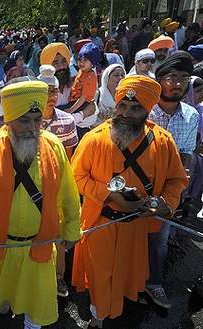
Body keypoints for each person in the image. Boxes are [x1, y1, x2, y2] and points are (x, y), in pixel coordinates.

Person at [71, 75, 188, 327]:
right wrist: (108, 194)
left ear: (147, 110)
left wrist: (165, 203)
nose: (126, 113)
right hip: (101, 225)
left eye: (135, 108)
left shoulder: (163, 142)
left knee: (125, 276)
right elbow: (76, 177)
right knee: (101, 277)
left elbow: (177, 180)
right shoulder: (94, 139)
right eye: (122, 106)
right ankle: (97, 318)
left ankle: (114, 310)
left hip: (137, 227)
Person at [0, 81, 81, 329]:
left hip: (39, 246)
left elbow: (69, 193)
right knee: (5, 301)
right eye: (24, 120)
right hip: (2, 244)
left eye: (37, 120)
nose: (32, 128)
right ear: (8, 120)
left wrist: (72, 230)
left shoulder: (53, 146)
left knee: (35, 308)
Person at [147, 51, 201, 307]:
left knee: (159, 240)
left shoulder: (191, 115)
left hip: (168, 189)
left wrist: (178, 185)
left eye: (184, 78)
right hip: (139, 184)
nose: (178, 83)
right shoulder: (145, 109)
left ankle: (154, 283)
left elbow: (187, 154)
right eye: (171, 77)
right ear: (160, 79)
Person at [37, 65, 79, 156]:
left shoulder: (68, 120)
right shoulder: (27, 121)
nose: (51, 96)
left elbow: (67, 158)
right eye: (46, 91)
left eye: (54, 91)